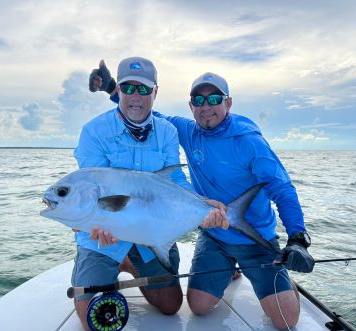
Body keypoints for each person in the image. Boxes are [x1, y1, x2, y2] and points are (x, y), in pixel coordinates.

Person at [89, 60, 315, 330]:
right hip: (214, 235)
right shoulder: (188, 130)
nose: (206, 107)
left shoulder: (249, 142)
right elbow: (143, 108)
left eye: (214, 99)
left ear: (228, 103)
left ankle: (279, 278)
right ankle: (230, 268)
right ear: (191, 106)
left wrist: (298, 238)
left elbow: (283, 189)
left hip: (256, 239)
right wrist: (112, 88)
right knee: (199, 306)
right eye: (198, 100)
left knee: (285, 320)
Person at [73, 56, 228, 331]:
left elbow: (175, 179)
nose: (136, 96)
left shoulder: (167, 132)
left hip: (148, 232)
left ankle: (131, 262)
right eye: (128, 88)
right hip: (103, 238)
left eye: (144, 89)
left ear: (155, 91)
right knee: (92, 320)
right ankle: (116, 258)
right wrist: (88, 223)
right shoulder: (94, 132)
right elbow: (93, 189)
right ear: (117, 89)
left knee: (170, 306)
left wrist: (203, 205)